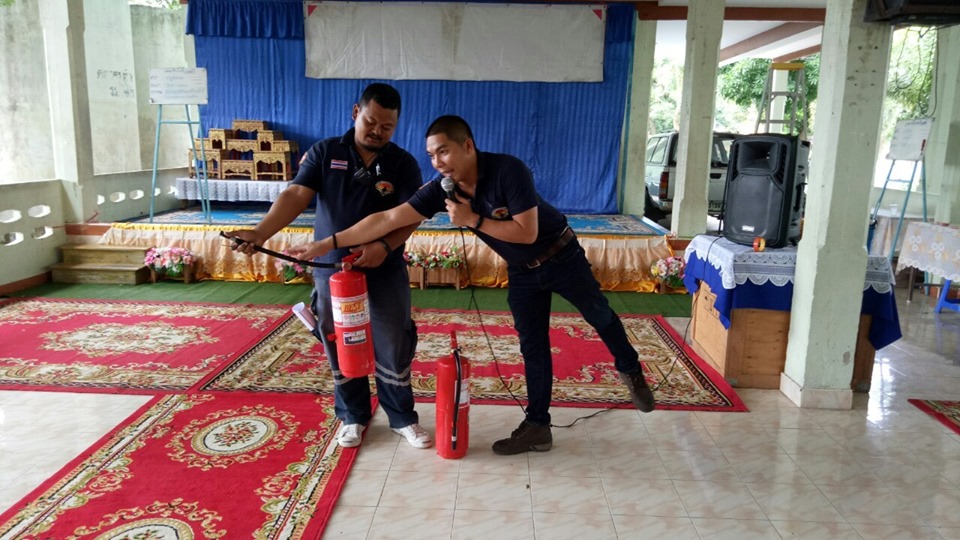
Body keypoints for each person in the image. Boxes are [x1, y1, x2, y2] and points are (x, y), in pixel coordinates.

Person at [288, 115, 655, 456]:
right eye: (431, 155)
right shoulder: (443, 189)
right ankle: (538, 426)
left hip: (562, 255)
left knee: (598, 315)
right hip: (523, 271)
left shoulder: (508, 170)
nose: (438, 162)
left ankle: (630, 368)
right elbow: (388, 218)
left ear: (468, 146)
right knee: (533, 346)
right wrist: (327, 243)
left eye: (444, 151)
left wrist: (472, 219)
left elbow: (527, 232)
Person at [226, 83, 432, 450]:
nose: (377, 131)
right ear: (356, 113)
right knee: (339, 340)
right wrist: (259, 233)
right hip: (332, 270)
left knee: (393, 339)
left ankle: (402, 417)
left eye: (387, 126)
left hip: (383, 267)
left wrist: (384, 246)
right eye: (371, 122)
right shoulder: (325, 153)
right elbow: (295, 195)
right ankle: (352, 415)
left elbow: (410, 216)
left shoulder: (402, 163)